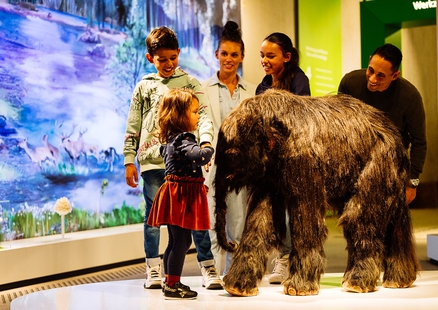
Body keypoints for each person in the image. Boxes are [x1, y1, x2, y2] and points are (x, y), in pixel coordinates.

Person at [123, 26, 222, 291]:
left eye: (172, 58)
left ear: (179, 53)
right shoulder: (144, 86)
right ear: (150, 58)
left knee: (195, 218)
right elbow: (133, 124)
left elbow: (203, 117)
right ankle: (154, 268)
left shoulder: (190, 84)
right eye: (161, 59)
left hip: (186, 163)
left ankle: (207, 265)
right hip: (152, 164)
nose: (168, 64)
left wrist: (205, 143)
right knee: (153, 218)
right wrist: (129, 159)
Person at [147, 88, 215, 299]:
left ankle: (170, 281)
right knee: (182, 242)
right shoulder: (184, 139)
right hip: (181, 197)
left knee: (175, 241)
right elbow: (201, 156)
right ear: (180, 116)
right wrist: (208, 146)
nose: (198, 116)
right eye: (195, 112)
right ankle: (173, 284)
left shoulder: (170, 141)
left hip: (176, 195)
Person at [338, 43, 427, 205]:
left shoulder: (410, 97)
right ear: (369, 60)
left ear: (394, 75)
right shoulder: (350, 83)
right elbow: (339, 128)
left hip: (392, 166)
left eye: (380, 76)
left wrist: (412, 183)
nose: (372, 79)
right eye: (370, 70)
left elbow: (419, 142)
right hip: (356, 163)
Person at [202, 21, 256, 276]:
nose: (229, 59)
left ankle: (234, 275)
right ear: (216, 55)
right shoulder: (203, 89)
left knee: (237, 222)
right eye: (225, 53)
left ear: (242, 57)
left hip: (239, 168)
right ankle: (212, 275)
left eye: (234, 55)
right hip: (212, 165)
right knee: (214, 222)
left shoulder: (252, 91)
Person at [256, 32, 311, 284]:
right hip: (270, 162)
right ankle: (281, 254)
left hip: (294, 159)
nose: (265, 60)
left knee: (292, 211)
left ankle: (289, 258)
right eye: (262, 56)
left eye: (270, 55)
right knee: (274, 211)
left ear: (286, 57)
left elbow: (302, 119)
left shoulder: (299, 82)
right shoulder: (262, 86)